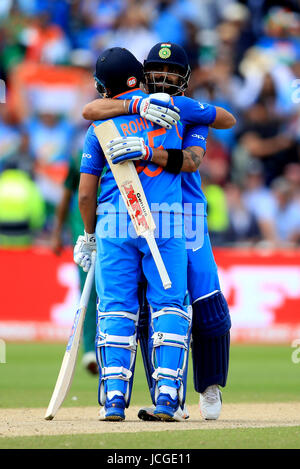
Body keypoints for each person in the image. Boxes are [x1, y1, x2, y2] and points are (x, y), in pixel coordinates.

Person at [82, 42, 235, 420]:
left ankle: (209, 386)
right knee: (151, 311)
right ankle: (168, 398)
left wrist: (148, 151)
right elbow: (91, 110)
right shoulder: (131, 104)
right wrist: (137, 105)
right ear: (142, 74)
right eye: (158, 72)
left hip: (187, 218)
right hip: (140, 215)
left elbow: (196, 157)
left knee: (206, 306)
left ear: (184, 79)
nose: (165, 79)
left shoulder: (184, 109)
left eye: (173, 74)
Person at [50, 151, 98, 375]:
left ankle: (110, 347)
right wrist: (57, 232)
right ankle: (90, 350)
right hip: (85, 237)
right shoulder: (79, 157)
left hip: (112, 233)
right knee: (88, 291)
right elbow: (67, 197)